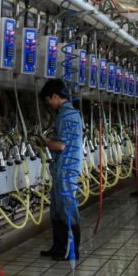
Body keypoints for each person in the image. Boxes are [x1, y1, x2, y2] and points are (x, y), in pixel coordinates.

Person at [38, 79, 84, 261]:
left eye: (48, 100)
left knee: (67, 208)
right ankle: (58, 247)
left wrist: (44, 142)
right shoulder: (65, 114)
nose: (48, 104)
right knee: (57, 208)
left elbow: (61, 146)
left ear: (55, 96)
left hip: (67, 168)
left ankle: (72, 251)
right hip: (60, 169)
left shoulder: (67, 116)